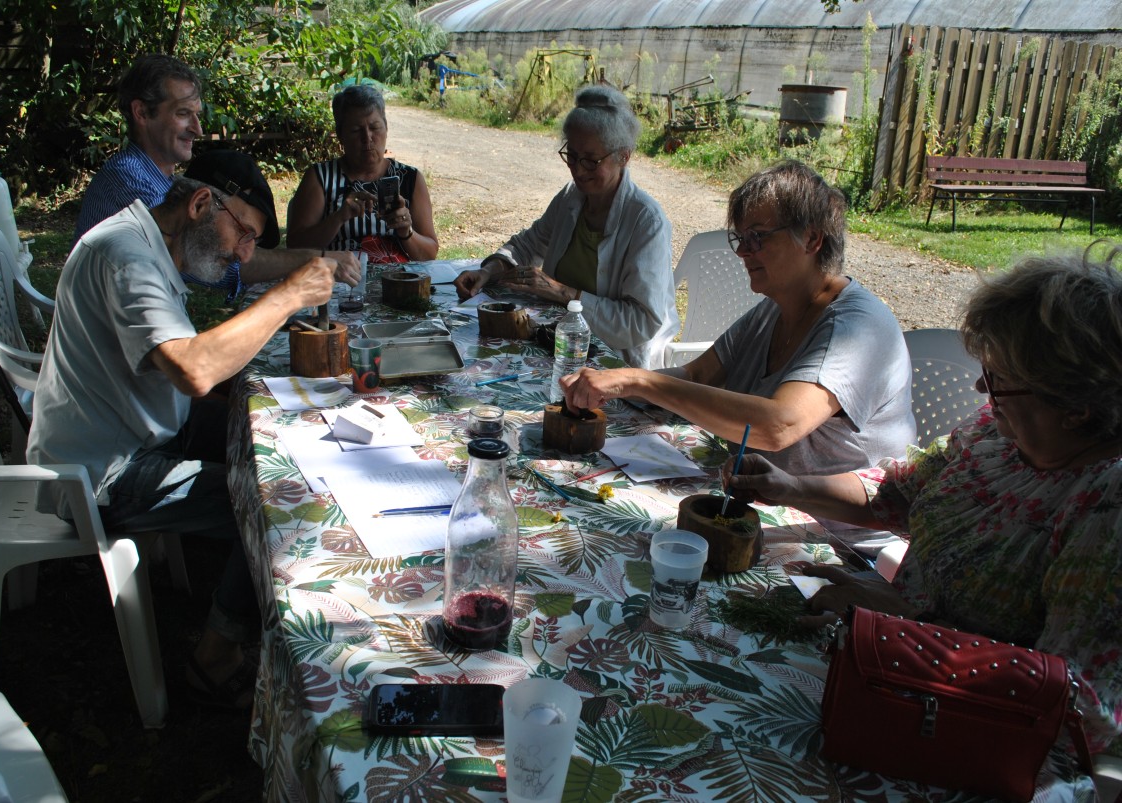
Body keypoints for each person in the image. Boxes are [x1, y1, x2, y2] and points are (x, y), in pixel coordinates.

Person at [726, 247, 1122, 751]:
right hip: (885, 674)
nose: (982, 388)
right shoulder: (996, 434)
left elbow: (1083, 708)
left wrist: (909, 626)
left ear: (1077, 409)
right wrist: (788, 486)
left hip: (962, 743)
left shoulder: (1107, 505)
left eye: (999, 381)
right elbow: (893, 498)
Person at [28, 151, 340, 709]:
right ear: (200, 203)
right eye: (243, 234)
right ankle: (215, 655)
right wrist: (288, 295)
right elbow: (193, 368)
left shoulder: (145, 242)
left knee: (292, 438)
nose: (243, 254)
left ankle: (255, 613)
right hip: (102, 471)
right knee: (283, 507)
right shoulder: (126, 257)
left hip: (145, 427)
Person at [561, 160, 915, 473]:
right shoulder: (774, 308)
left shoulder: (856, 327)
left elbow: (778, 426)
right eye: (740, 238)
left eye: (758, 238)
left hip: (834, 535)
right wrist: (612, 384)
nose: (743, 252)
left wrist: (638, 381)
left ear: (811, 240)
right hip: (753, 495)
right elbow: (698, 374)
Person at [74, 54, 359, 294]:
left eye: (197, 114)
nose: (197, 129)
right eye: (183, 113)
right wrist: (315, 260)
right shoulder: (131, 180)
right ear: (142, 113)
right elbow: (215, 259)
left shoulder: (163, 180)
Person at [453, 85, 678, 369]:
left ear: (624, 156)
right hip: (558, 345)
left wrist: (562, 292)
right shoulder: (572, 198)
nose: (578, 170)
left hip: (615, 362)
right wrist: (487, 271)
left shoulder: (646, 221)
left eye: (591, 161)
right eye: (571, 156)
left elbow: (639, 323)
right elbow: (527, 245)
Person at [286, 83, 439, 263]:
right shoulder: (321, 178)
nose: (367, 138)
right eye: (356, 130)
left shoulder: (410, 179)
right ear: (340, 135)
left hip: (398, 285)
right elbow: (295, 246)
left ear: (386, 127)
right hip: (340, 282)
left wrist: (407, 232)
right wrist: (338, 218)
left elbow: (430, 254)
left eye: (374, 128)